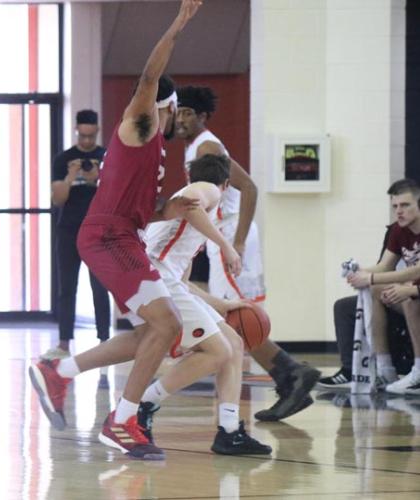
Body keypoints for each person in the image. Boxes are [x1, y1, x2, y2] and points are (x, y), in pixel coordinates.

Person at [29, 0, 203, 461]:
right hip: (107, 236)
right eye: (177, 110)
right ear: (169, 106)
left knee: (157, 330)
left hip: (123, 235)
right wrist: (180, 23)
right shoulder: (141, 125)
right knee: (167, 325)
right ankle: (123, 420)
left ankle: (61, 371)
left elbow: (143, 208)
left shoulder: (155, 157)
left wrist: (173, 208)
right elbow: (149, 78)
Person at [175, 85, 321, 421]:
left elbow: (249, 186)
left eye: (187, 113)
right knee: (233, 319)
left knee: (235, 318)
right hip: (221, 236)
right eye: (178, 112)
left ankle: (290, 372)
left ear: (202, 117)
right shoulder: (195, 147)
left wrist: (236, 242)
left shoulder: (207, 146)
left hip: (229, 235)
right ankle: (288, 375)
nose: (181, 119)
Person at [138, 154, 271, 456]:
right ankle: (142, 403)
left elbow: (182, 284)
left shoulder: (191, 213)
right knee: (218, 350)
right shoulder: (207, 188)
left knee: (233, 343)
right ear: (227, 184)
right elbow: (190, 200)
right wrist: (226, 246)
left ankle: (229, 430)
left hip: (163, 279)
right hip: (156, 276)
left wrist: (220, 305)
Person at [41, 109, 111, 361]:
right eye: (82, 136)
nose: (86, 142)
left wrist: (96, 178)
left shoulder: (106, 157)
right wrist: (71, 176)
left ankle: (104, 339)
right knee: (67, 287)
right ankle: (63, 343)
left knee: (100, 287)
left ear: (97, 132)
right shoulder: (63, 160)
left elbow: (113, 195)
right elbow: (58, 199)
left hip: (97, 232)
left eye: (91, 136)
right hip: (68, 230)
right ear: (76, 131)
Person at [347, 179, 420, 395]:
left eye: (405, 205)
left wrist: (371, 278)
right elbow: (384, 266)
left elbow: (416, 271)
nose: (399, 212)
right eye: (395, 206)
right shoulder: (399, 230)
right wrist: (359, 272)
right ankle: (385, 369)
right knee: (376, 291)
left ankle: (418, 372)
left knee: (407, 296)